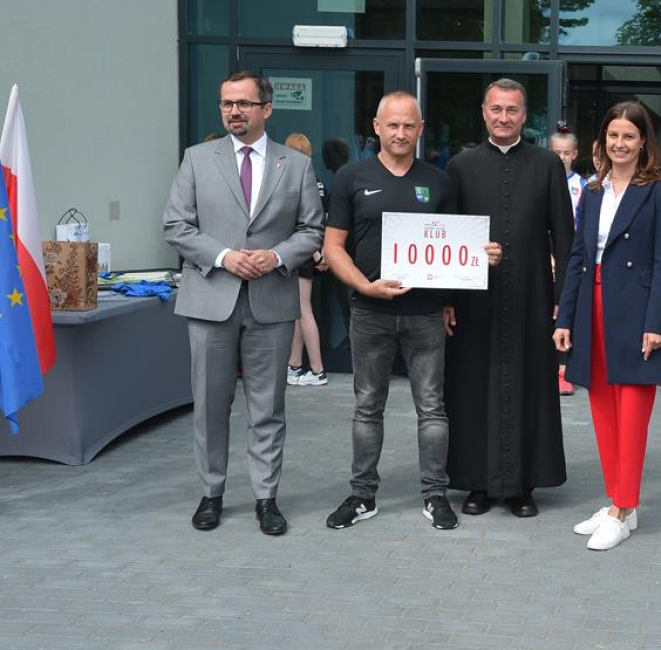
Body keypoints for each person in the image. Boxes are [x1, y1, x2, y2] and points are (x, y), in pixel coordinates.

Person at [320, 92, 502, 532]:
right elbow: (333, 246)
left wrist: (476, 264)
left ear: (420, 129)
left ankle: (435, 495)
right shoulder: (351, 177)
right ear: (377, 127)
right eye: (392, 125)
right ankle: (362, 495)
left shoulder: (439, 182)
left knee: (432, 407)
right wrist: (364, 286)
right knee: (368, 405)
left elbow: (455, 244)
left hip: (425, 313)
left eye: (409, 125)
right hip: (369, 310)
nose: (400, 133)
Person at [163, 71, 324, 536]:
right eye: (227, 103)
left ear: (266, 109)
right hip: (211, 300)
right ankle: (211, 493)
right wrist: (224, 256)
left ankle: (266, 498)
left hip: (271, 301)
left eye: (244, 103)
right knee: (210, 406)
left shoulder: (295, 165)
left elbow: (311, 230)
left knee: (267, 407)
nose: (234, 111)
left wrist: (276, 256)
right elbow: (175, 225)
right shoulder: (197, 160)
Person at [444, 79, 575, 518]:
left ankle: (522, 485)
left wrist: (562, 302)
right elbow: (447, 235)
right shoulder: (460, 166)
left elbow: (565, 240)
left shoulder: (547, 164)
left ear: (525, 115)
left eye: (512, 110)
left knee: (529, 386)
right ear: (484, 112)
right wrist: (447, 298)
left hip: (530, 297)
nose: (504, 118)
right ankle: (478, 482)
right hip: (474, 299)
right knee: (472, 387)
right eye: (496, 109)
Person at [553, 101, 661, 550]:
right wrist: (566, 316)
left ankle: (622, 509)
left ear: (643, 142)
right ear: (602, 140)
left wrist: (655, 323)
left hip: (636, 308)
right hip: (593, 303)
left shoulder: (660, 189)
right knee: (603, 409)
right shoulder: (592, 191)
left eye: (629, 136)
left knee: (632, 413)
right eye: (613, 135)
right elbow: (578, 258)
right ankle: (617, 503)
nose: (620, 144)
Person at [282, 132, 329, 387]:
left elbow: (302, 224)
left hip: (301, 253)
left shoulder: (296, 183)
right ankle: (295, 364)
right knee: (298, 311)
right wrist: (320, 253)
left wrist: (316, 253)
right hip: (311, 254)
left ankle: (318, 369)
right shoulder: (317, 182)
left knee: (302, 310)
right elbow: (322, 221)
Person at [551, 122, 586, 396]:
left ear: (574, 154)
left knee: (566, 309)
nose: (562, 157)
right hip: (547, 252)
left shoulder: (584, 186)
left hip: (573, 252)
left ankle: (565, 370)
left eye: (566, 153)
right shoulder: (542, 180)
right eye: (557, 153)